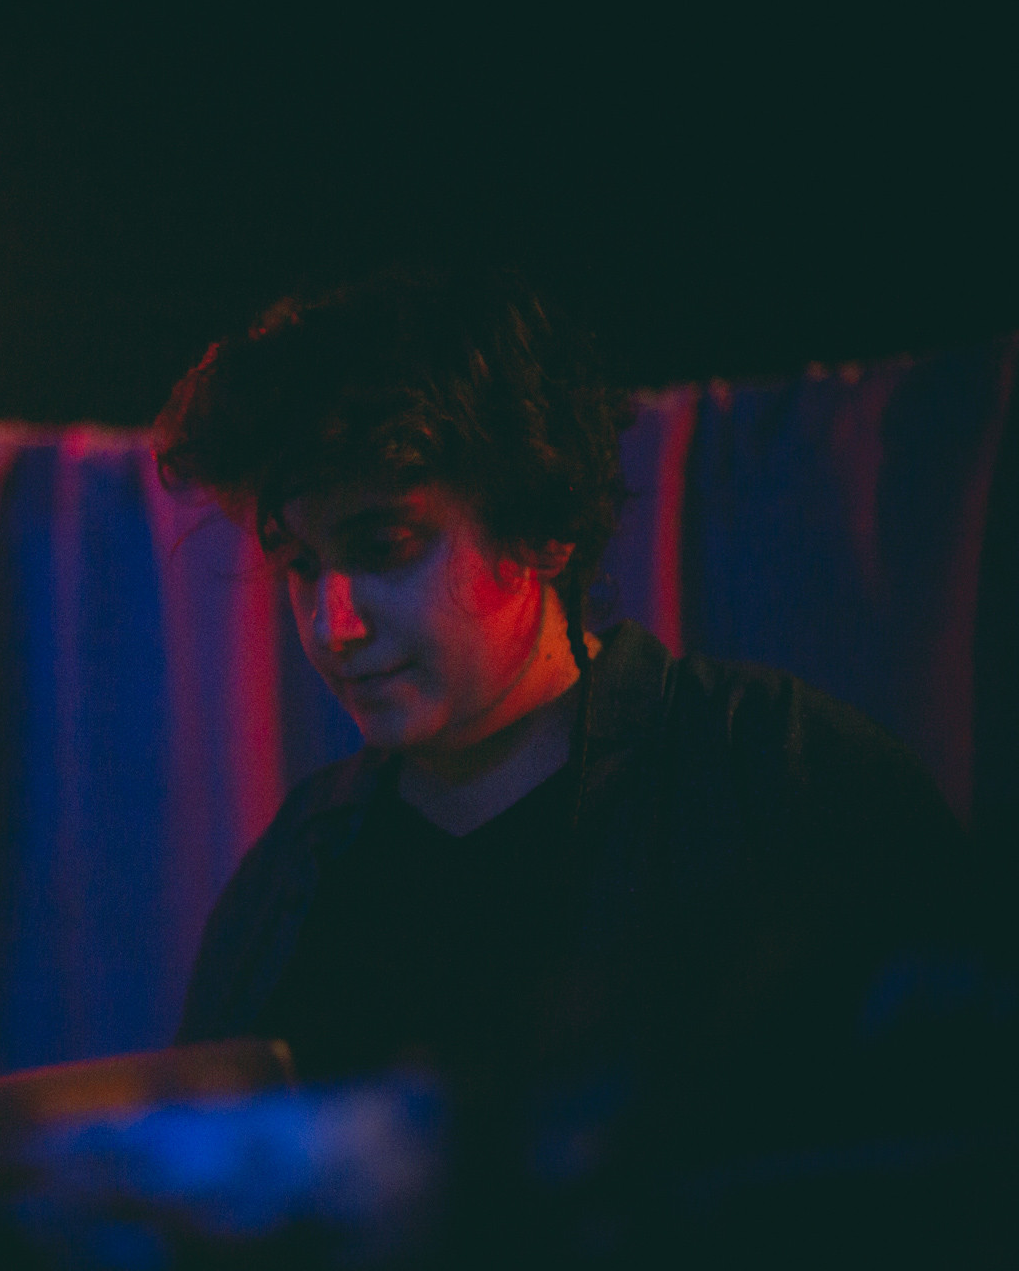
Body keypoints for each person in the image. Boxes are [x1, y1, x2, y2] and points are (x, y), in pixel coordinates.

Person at [152, 272, 1010, 1243]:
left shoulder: (780, 773)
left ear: (541, 528)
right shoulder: (294, 873)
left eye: (383, 544)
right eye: (302, 564)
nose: (329, 622)